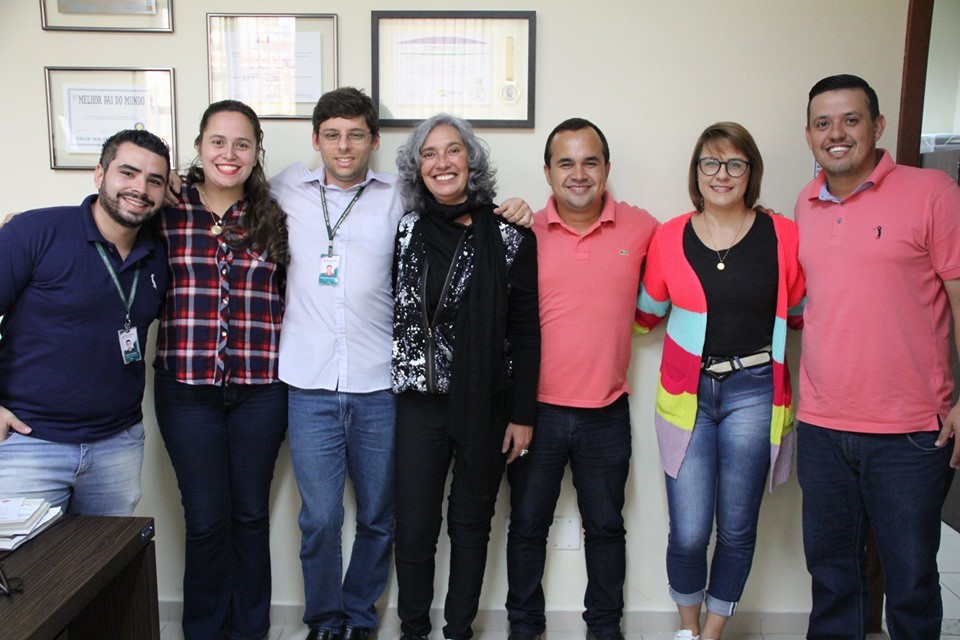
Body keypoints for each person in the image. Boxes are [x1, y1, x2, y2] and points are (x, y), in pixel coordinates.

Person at [269, 88, 534, 640]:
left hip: (416, 392)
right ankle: (344, 623)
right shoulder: (297, 193)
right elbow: (231, 188)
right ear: (316, 139)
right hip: (349, 390)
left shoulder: (433, 214)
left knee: (410, 520)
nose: (345, 146)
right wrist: (184, 180)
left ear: (375, 141)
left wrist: (516, 208)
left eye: (357, 135)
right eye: (333, 135)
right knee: (337, 521)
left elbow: (520, 321)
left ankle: (393, 620)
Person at [795, 74, 960, 640]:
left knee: (910, 580)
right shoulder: (805, 201)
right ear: (810, 135)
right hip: (821, 427)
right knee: (832, 576)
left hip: (911, 432)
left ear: (877, 126)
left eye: (850, 120)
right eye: (823, 123)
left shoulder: (933, 193)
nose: (836, 134)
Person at [636, 122, 805, 640]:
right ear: (697, 171)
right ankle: (686, 630)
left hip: (755, 391)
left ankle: (711, 634)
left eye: (735, 163)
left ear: (750, 172)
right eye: (710, 162)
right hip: (687, 394)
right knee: (687, 532)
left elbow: (797, 312)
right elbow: (647, 314)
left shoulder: (782, 234)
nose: (722, 173)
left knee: (735, 528)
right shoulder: (668, 236)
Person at [505, 118, 659, 640]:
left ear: (607, 168)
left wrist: (762, 220)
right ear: (547, 173)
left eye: (590, 161)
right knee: (526, 527)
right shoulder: (519, 230)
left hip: (606, 412)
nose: (578, 173)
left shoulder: (642, 228)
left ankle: (605, 629)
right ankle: (525, 628)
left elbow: (689, 260)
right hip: (534, 413)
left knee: (607, 528)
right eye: (565, 163)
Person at [391, 113, 540, 640]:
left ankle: (458, 630)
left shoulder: (511, 234)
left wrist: (523, 414)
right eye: (429, 154)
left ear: (471, 162)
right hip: (418, 404)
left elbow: (525, 331)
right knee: (413, 529)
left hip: (486, 404)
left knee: (471, 525)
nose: (442, 162)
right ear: (417, 167)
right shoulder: (405, 229)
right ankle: (413, 629)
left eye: (453, 151)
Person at [153, 100, 289, 640]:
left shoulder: (277, 213)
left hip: (261, 389)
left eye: (241, 144)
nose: (228, 154)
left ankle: (250, 630)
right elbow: (102, 226)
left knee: (252, 516)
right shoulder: (166, 208)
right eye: (217, 142)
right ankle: (205, 632)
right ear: (198, 147)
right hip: (187, 390)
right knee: (207, 520)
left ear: (257, 152)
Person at [0, 129, 170, 515]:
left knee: (107, 571)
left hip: (117, 445)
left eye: (154, 180)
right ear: (99, 175)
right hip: (29, 444)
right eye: (128, 173)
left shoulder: (158, 254)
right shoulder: (34, 232)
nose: (140, 188)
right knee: (26, 573)